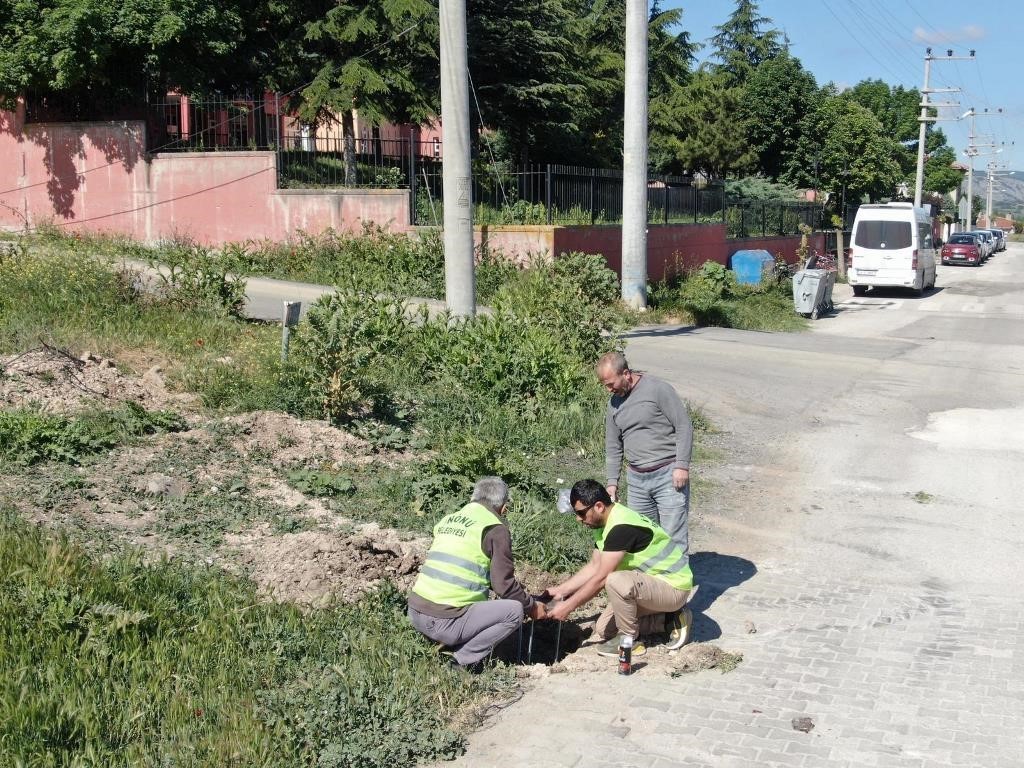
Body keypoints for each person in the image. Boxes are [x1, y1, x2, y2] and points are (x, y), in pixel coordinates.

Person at [408, 476, 546, 669]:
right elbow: (503, 586)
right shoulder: (495, 528)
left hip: (415, 613)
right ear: (503, 508)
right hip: (443, 621)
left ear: (474, 498)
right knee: (514, 611)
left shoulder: (449, 519)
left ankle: (443, 642)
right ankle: (462, 660)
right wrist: (531, 606)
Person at [545, 479, 694, 657]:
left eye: (581, 513)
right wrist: (560, 591)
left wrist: (567, 607)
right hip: (651, 585)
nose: (579, 519)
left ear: (599, 506)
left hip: (673, 586)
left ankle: (629, 641)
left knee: (614, 580)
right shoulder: (604, 522)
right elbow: (594, 566)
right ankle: (668, 620)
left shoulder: (620, 527)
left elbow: (600, 578)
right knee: (603, 630)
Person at [597, 350, 693, 560]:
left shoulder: (657, 390)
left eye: (611, 383)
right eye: (604, 385)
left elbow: (683, 426)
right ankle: (653, 590)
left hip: (668, 476)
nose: (608, 389)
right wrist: (612, 482)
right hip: (637, 481)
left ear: (626, 373)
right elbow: (613, 445)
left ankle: (678, 588)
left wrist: (682, 465)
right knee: (644, 539)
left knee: (673, 538)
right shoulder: (614, 404)